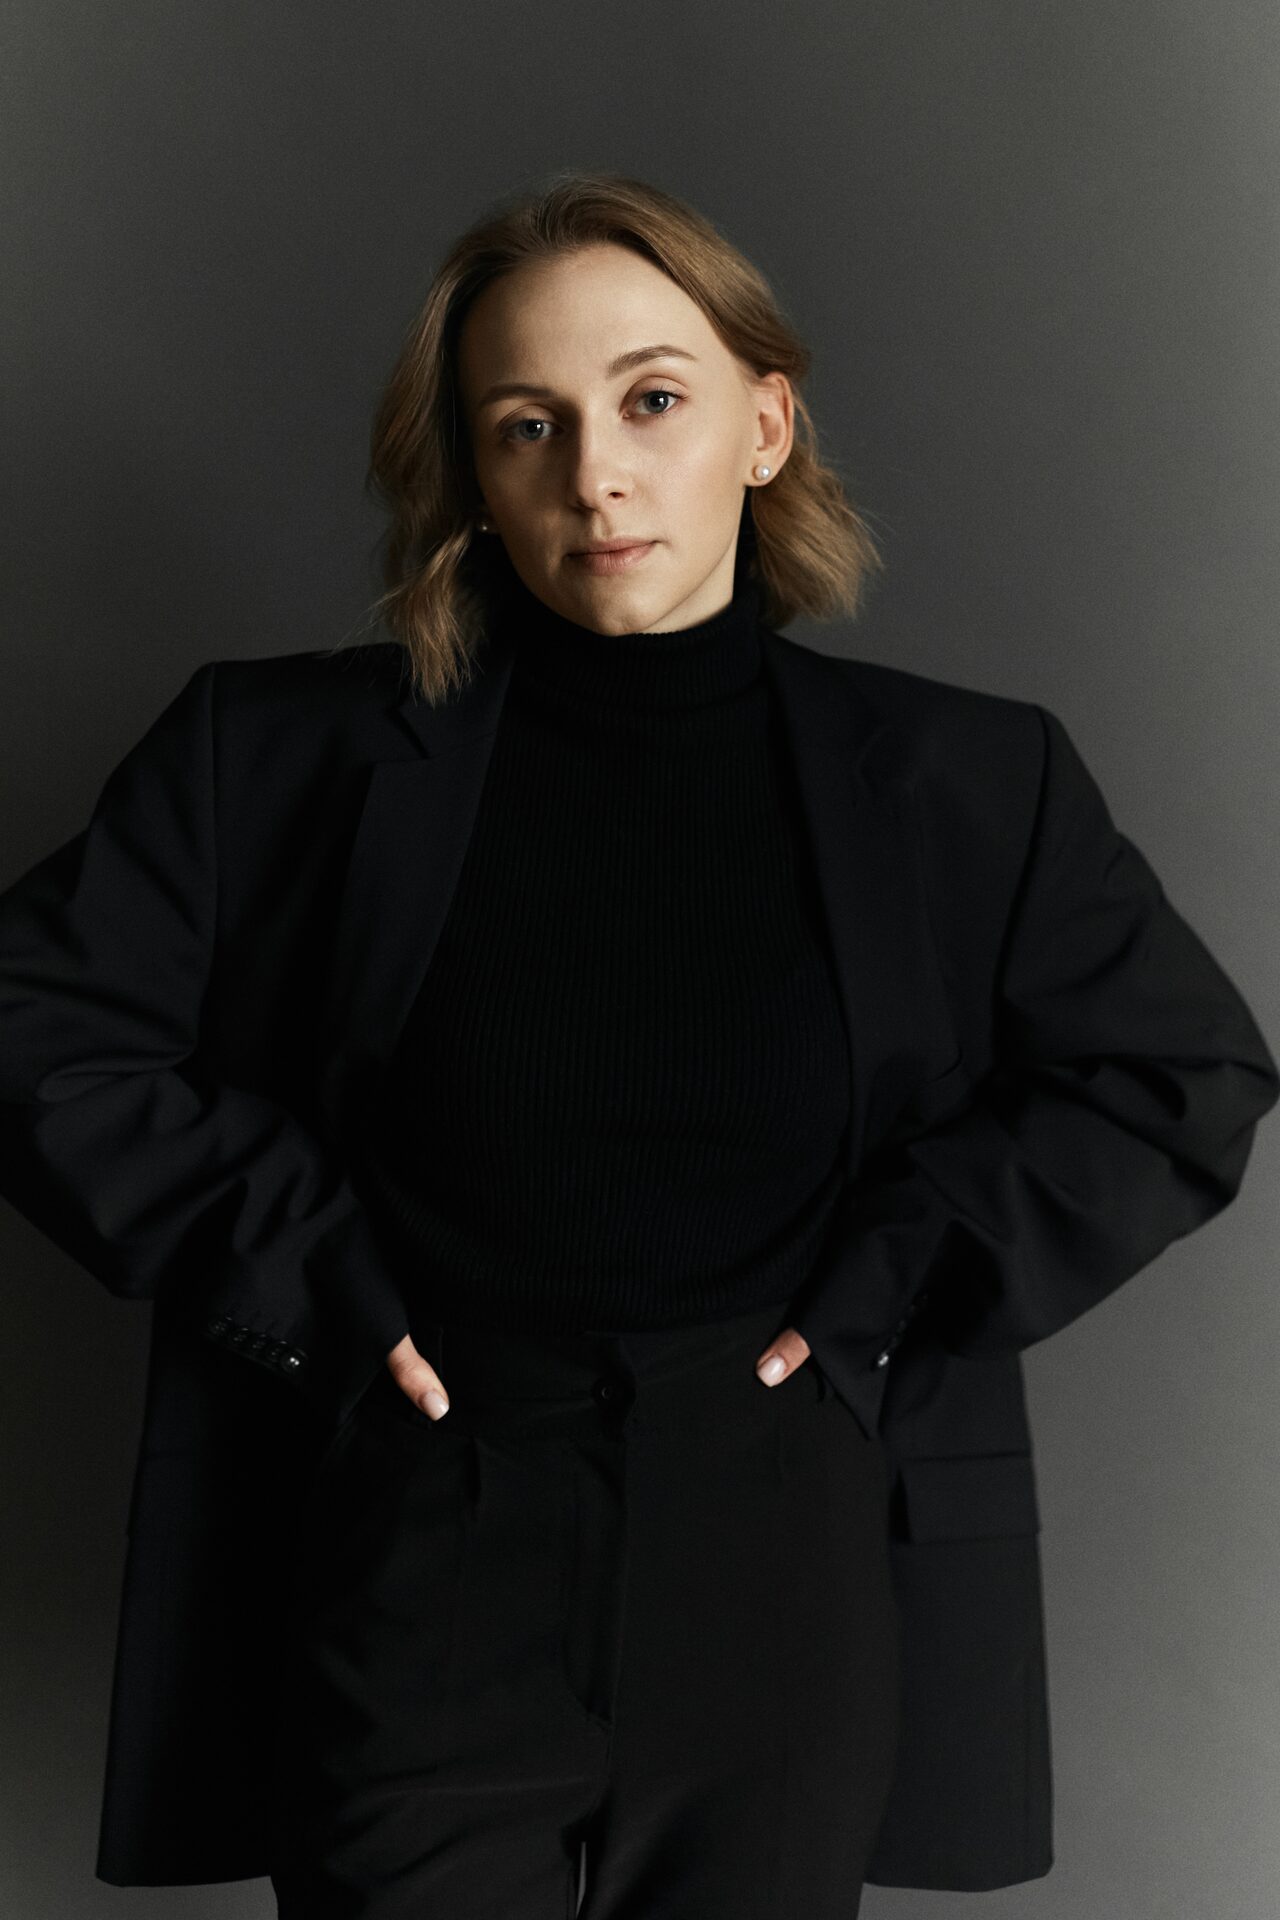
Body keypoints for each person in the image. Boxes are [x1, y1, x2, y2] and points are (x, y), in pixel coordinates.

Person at [0, 170, 1275, 1919]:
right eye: (526, 426)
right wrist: (298, 1267)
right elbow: (34, 1026)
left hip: (785, 1548)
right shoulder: (271, 758)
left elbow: (1182, 1077)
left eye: (652, 401)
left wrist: (896, 1278)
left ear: (765, 426)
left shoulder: (969, 781)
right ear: (474, 472)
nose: (594, 475)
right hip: (421, 1534)